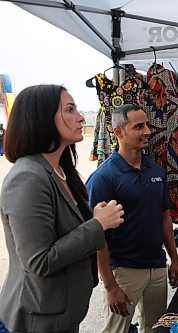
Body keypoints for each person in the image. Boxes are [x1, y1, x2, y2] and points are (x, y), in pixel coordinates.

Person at [0, 84, 124, 333]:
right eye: (70, 109)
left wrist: (92, 219)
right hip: (36, 319)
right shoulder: (28, 177)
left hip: (60, 314)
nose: (80, 117)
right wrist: (97, 224)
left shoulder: (60, 171)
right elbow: (39, 262)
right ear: (41, 119)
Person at [86, 104, 178, 333]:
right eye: (139, 126)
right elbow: (96, 236)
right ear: (118, 132)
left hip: (157, 267)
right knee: (116, 330)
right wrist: (110, 286)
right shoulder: (103, 178)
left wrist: (174, 259)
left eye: (147, 125)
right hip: (124, 271)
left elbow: (164, 216)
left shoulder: (156, 170)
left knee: (156, 328)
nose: (147, 131)